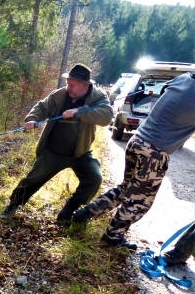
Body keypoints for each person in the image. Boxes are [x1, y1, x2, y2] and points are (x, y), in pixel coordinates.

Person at [73, 72, 195, 250]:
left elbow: (164, 90)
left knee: (126, 188)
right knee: (140, 200)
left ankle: (85, 213)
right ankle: (112, 236)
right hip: (154, 152)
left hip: (137, 140)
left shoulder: (184, 78)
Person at [0, 63, 113, 222]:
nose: (68, 88)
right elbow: (41, 107)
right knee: (32, 180)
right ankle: (12, 205)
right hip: (52, 152)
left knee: (94, 178)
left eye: (72, 85)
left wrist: (80, 111)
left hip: (80, 153)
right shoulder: (59, 95)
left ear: (84, 85)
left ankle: (68, 212)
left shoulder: (98, 97)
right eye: (68, 84)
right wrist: (32, 119)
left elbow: (107, 117)